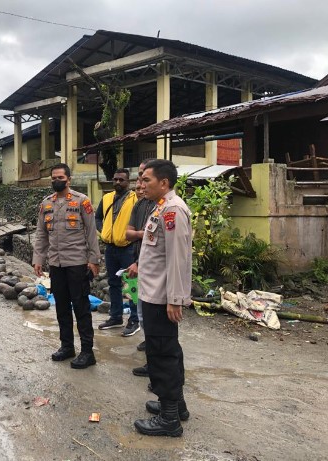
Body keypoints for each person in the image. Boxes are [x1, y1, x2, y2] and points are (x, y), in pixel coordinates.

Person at [131, 159, 192, 437]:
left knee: (163, 354)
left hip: (161, 297)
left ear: (164, 183)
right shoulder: (161, 208)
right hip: (153, 293)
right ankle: (176, 405)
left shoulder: (173, 211)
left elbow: (178, 259)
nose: (141, 185)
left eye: (146, 180)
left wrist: (175, 299)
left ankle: (169, 420)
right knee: (166, 350)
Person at [32, 163, 101, 369]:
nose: (56, 181)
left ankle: (87, 352)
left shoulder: (82, 202)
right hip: (56, 264)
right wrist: (38, 258)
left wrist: (94, 260)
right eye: (53, 178)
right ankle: (67, 346)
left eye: (60, 177)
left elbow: (91, 232)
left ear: (68, 180)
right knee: (61, 307)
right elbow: (41, 233)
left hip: (77, 263)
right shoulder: (46, 204)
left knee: (81, 308)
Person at [95, 168, 139, 336]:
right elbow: (97, 217)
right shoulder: (106, 198)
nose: (118, 182)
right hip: (110, 248)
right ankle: (116, 317)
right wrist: (103, 230)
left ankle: (134, 320)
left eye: (122, 180)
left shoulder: (135, 199)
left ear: (129, 182)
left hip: (128, 248)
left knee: (132, 284)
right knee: (113, 283)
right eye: (115, 179)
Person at [125, 161, 155, 378]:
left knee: (158, 324)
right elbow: (130, 233)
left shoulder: (165, 207)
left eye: (145, 179)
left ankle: (159, 371)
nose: (141, 184)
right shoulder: (140, 205)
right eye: (140, 179)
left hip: (154, 272)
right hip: (138, 263)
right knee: (143, 314)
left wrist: (140, 233)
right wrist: (140, 233)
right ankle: (153, 363)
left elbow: (156, 242)